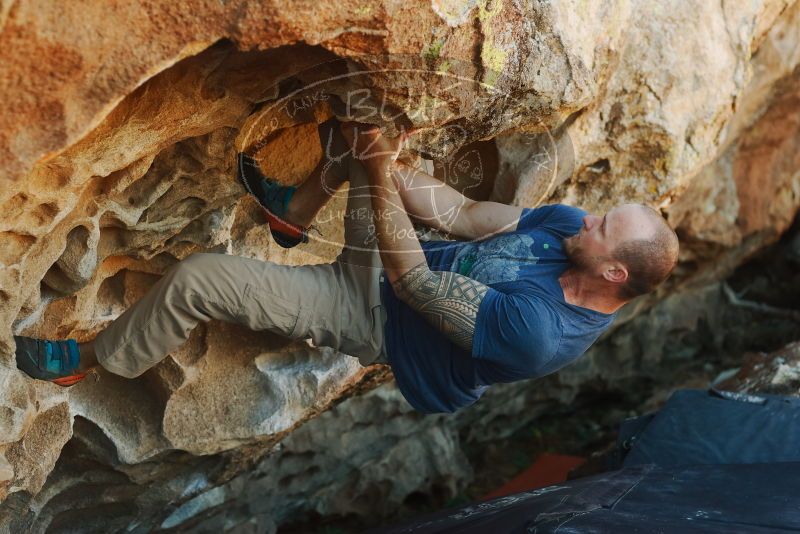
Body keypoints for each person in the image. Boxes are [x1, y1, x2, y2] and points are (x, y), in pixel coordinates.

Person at [14, 118, 679, 414]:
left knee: (199, 280)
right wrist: (390, 162)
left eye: (602, 228)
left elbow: (414, 283)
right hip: (399, 264)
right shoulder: (569, 230)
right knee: (359, 120)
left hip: (375, 316)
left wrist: (377, 171)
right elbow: (462, 215)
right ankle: (293, 215)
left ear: (614, 273)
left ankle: (91, 359)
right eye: (599, 213)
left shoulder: (537, 333)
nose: (586, 218)